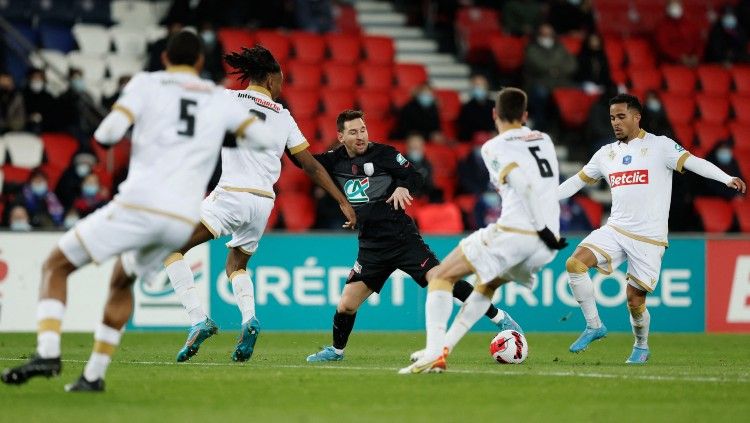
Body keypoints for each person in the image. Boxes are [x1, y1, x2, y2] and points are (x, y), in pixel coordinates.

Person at [1, 30, 273, 392]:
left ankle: (49, 351)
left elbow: (108, 134)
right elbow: (260, 139)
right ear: (200, 63)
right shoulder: (215, 98)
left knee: (56, 265)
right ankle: (94, 376)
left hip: (139, 204)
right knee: (122, 279)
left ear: (164, 59)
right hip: (180, 217)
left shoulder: (147, 84)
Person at [162, 44, 356, 363]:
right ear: (268, 79)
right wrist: (342, 200)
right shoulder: (284, 116)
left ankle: (198, 320)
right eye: (279, 80)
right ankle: (249, 320)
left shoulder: (227, 99)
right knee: (236, 266)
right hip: (263, 203)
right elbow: (310, 165)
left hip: (232, 193)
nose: (281, 86)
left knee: (171, 249)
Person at [301, 110, 521, 363]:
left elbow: (415, 175)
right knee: (347, 305)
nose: (360, 136)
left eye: (363, 129)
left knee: (443, 280)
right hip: (371, 246)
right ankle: (336, 351)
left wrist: (404, 186)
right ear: (341, 136)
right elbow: (305, 162)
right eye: (353, 132)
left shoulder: (384, 154)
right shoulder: (333, 161)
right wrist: (284, 139)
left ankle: (500, 318)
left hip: (402, 238)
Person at [558, 94, 746, 363]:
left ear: (637, 117)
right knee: (575, 264)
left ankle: (641, 345)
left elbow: (695, 163)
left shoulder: (660, 146)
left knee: (634, 300)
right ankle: (594, 325)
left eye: (621, 116)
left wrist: (726, 178)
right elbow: (576, 182)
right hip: (616, 228)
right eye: (612, 117)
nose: (616, 123)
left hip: (649, 237)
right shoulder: (605, 154)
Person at [399, 87, 567, 374]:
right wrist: (548, 233)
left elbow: (523, 185)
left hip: (520, 233)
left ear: (494, 114)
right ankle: (442, 351)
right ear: (525, 115)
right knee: (485, 287)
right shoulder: (545, 140)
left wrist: (541, 229)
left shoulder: (494, 147)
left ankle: (431, 352)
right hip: (545, 248)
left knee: (440, 276)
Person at [523, 23, 577, 131]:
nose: (547, 35)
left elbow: (572, 64)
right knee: (541, 95)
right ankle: (540, 126)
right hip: (540, 82)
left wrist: (556, 70)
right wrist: (556, 67)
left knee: (575, 93)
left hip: (561, 81)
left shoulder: (560, 47)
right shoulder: (532, 47)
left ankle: (563, 130)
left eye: (549, 32)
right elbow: (539, 65)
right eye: (544, 33)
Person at [654, 0, 701, 66]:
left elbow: (697, 43)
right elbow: (663, 48)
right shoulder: (661, 27)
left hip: (691, 63)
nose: (675, 8)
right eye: (672, 5)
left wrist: (696, 57)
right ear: (667, 8)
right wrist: (680, 58)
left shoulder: (690, 25)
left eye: (677, 5)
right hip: (670, 64)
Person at [457, 74, 495, 141]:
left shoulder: (494, 105)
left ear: (486, 87)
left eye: (481, 85)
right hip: (474, 142)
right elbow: (463, 131)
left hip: (492, 140)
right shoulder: (466, 108)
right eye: (476, 85)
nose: (479, 88)